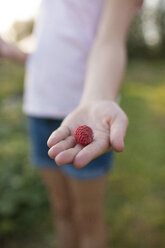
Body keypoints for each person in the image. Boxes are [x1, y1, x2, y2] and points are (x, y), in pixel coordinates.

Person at [0, 0, 143, 247]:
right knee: (61, 210)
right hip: (38, 106)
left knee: (88, 217)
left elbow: (109, 43)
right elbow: (60, 42)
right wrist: (21, 55)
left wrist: (96, 99)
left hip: (83, 111)